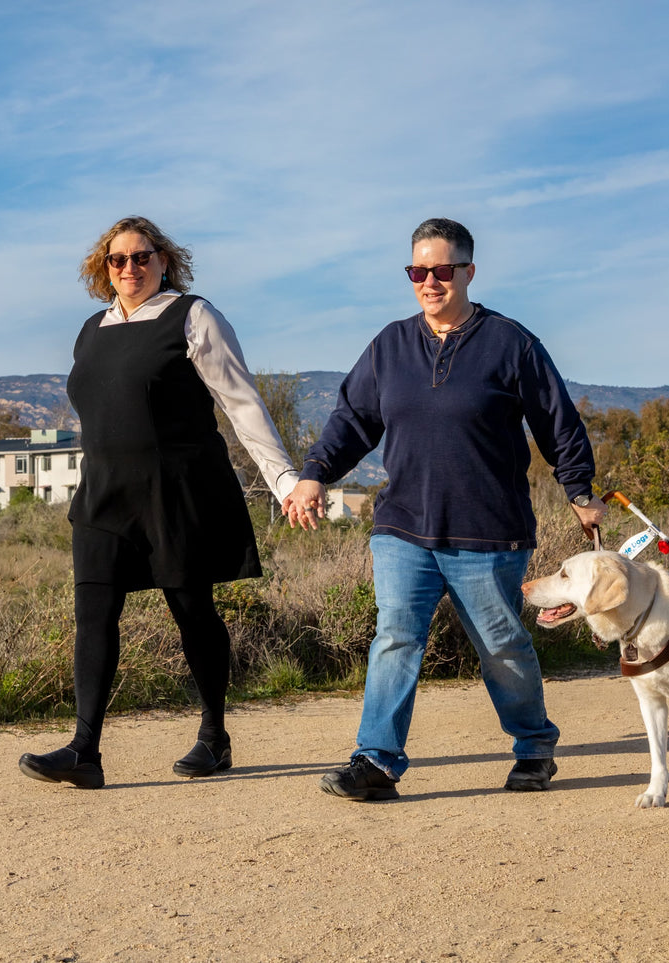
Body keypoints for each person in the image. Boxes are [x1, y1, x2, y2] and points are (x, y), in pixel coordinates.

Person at [283, 217, 606, 800]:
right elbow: (353, 421)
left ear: (468, 272)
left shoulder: (512, 343)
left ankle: (534, 747)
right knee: (395, 638)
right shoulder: (390, 345)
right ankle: (376, 762)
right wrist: (314, 475)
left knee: (501, 644)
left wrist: (579, 491)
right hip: (403, 527)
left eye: (441, 270)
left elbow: (558, 423)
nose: (429, 281)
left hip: (488, 531)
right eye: (417, 271)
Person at [19, 216, 300, 790]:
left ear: (165, 260)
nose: (129, 268)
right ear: (103, 268)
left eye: (142, 257)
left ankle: (214, 735)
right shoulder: (91, 329)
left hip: (176, 493)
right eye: (117, 260)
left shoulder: (191, 315)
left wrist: (286, 481)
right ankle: (84, 751)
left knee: (191, 611)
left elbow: (242, 403)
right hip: (103, 496)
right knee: (92, 615)